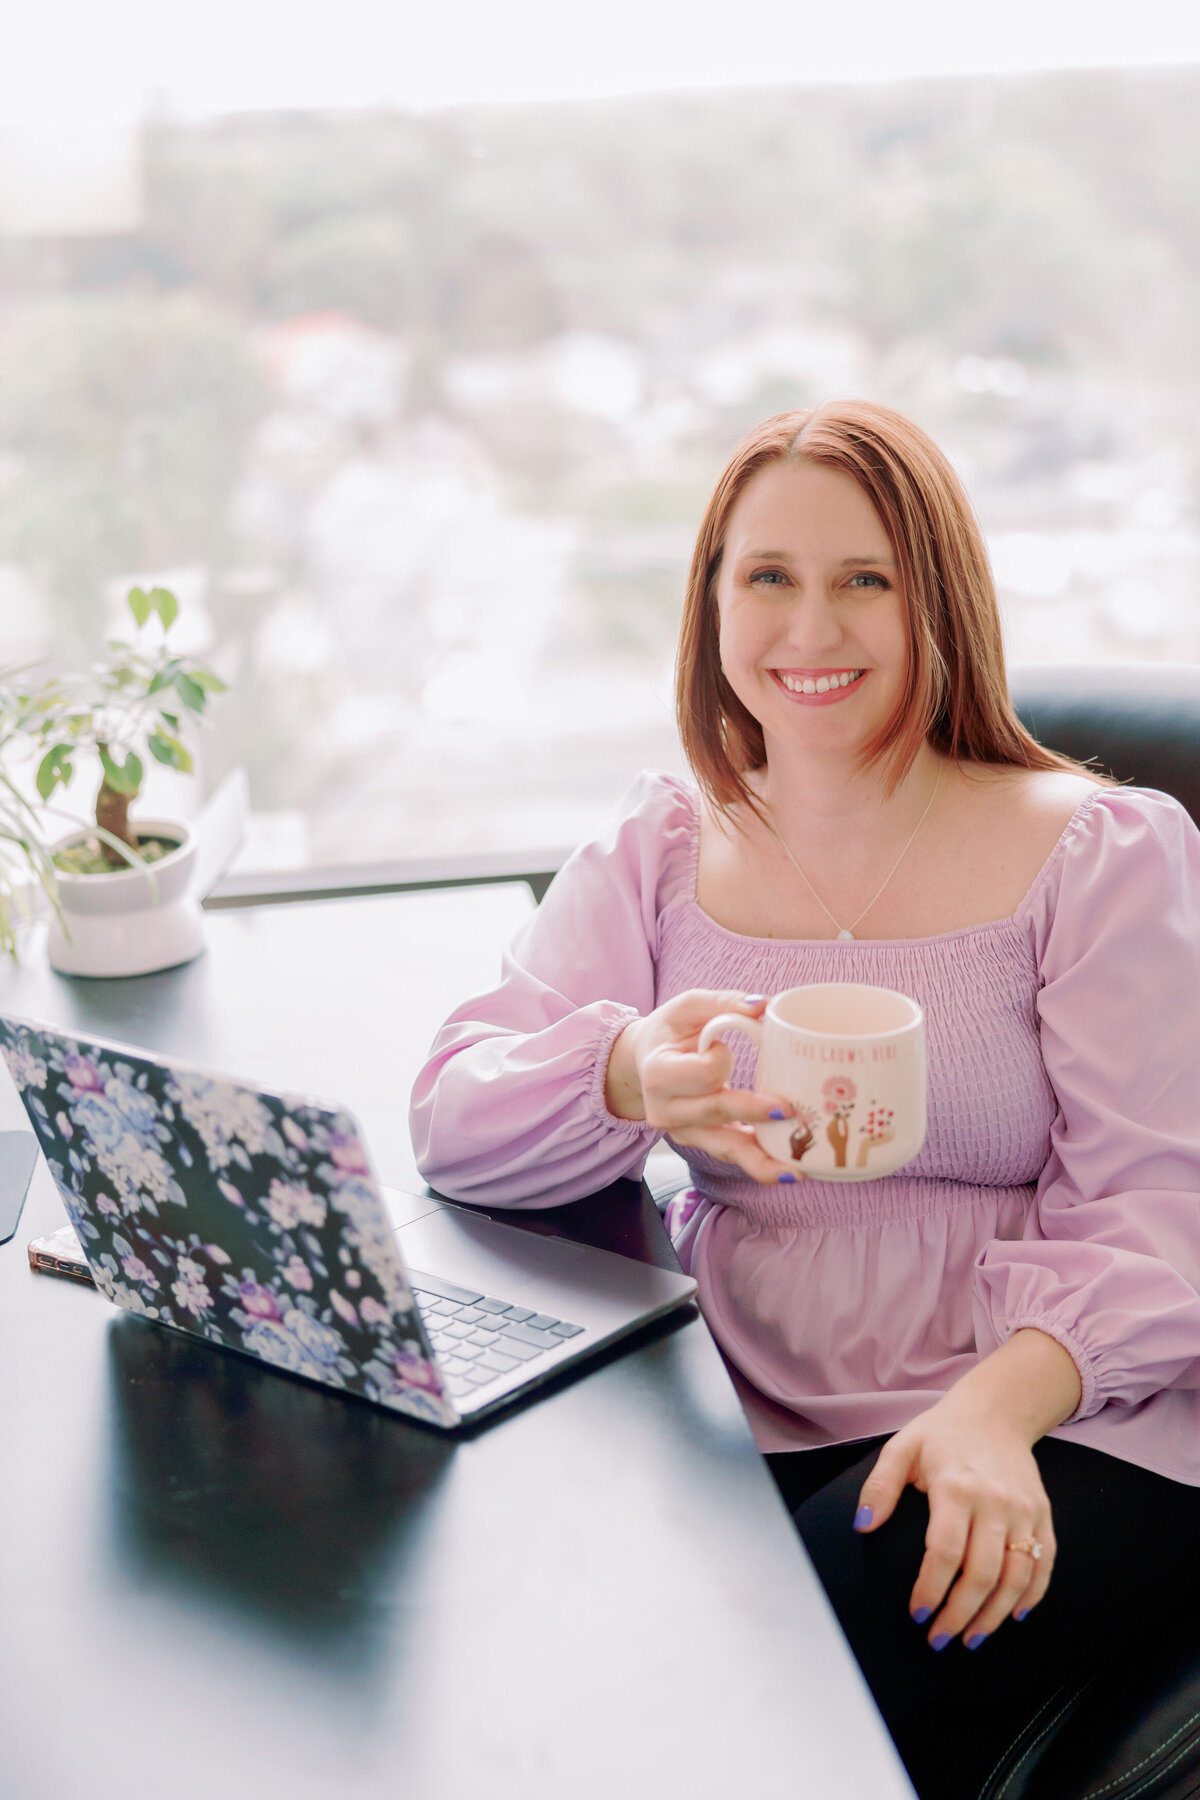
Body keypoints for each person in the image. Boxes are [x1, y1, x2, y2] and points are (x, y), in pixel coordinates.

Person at [410, 401, 1200, 1799]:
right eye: (767, 576)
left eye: (864, 581)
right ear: (711, 601)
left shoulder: (1100, 853)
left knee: (753, 1716)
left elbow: (1166, 1207)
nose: (809, 630)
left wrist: (993, 1412)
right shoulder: (659, 848)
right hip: (737, 1397)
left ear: (936, 602)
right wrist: (628, 1071)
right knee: (511, 1667)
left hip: (1056, 1406)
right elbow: (454, 1116)